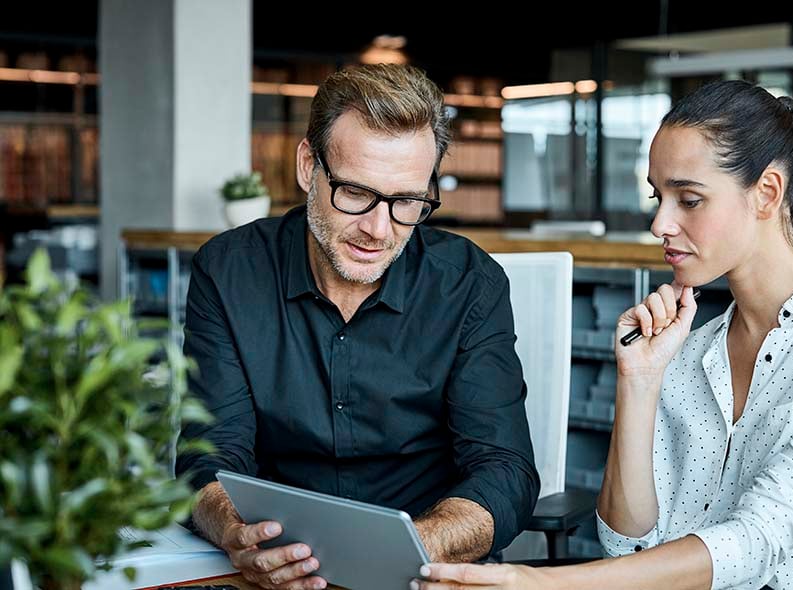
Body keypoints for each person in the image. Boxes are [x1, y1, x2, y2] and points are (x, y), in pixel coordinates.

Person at [415, 80, 793, 590]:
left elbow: (759, 538)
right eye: (659, 197)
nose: (660, 223)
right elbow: (626, 543)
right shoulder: (691, 348)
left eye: (690, 200)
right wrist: (639, 380)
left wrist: (542, 584)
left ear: (766, 193)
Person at [176, 63, 539, 590]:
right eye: (354, 192)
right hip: (274, 567)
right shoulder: (229, 271)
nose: (377, 229)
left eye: (407, 202)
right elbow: (209, 453)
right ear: (308, 166)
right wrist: (237, 533)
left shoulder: (470, 285)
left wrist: (412, 545)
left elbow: (504, 470)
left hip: (422, 568)